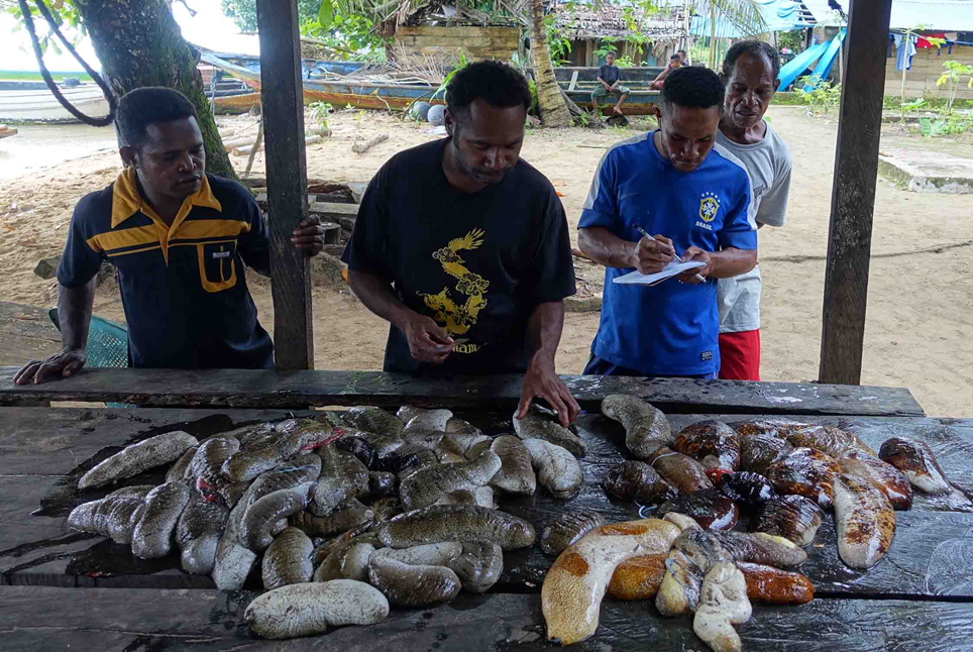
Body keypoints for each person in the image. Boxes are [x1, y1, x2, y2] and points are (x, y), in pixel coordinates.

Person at [14, 87, 329, 385]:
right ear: (130, 156)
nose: (189, 165)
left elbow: (268, 263)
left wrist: (297, 246)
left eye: (196, 150)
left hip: (245, 371)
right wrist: (73, 346)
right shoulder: (98, 214)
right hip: (153, 378)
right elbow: (74, 278)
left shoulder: (231, 201)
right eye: (169, 157)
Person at [341, 61, 580, 426]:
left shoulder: (536, 196)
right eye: (481, 145)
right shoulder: (399, 180)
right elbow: (361, 272)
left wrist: (543, 359)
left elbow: (548, 295)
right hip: (413, 378)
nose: (497, 160)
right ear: (450, 123)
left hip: (507, 385)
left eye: (512, 145)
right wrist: (406, 320)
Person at [577, 66, 758, 379]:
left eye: (705, 139)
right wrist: (631, 254)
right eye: (678, 138)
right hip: (619, 348)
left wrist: (710, 262)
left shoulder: (734, 175)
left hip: (692, 355)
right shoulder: (621, 160)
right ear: (658, 115)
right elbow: (587, 237)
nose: (690, 152)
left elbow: (746, 255)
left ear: (719, 122)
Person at [716, 41, 793, 381]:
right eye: (739, 88)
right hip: (683, 290)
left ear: (775, 89)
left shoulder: (777, 154)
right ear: (723, 82)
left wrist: (724, 256)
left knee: (742, 394)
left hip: (739, 290)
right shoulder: (693, 137)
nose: (750, 101)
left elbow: (754, 222)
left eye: (762, 91)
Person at [593, 52, 631, 116]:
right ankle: (596, 112)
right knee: (593, 94)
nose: (610, 60)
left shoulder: (616, 69)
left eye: (611, 58)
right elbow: (598, 78)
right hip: (604, 86)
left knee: (627, 91)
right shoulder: (603, 67)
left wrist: (614, 85)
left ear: (614, 59)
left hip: (614, 86)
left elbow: (618, 79)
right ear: (606, 59)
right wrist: (605, 84)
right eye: (608, 58)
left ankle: (617, 106)